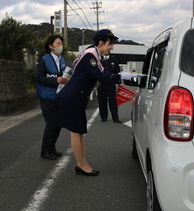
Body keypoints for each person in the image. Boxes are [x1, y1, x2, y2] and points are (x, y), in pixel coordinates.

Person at [57, 29, 136, 176]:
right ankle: (80, 165)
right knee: (75, 132)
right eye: (110, 44)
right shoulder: (90, 55)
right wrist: (123, 77)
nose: (112, 47)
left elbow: (98, 76)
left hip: (76, 97)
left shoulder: (95, 55)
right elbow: (100, 75)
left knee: (80, 131)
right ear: (101, 42)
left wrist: (120, 76)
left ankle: (83, 163)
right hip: (72, 97)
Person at [35, 35, 68, 160]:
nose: (61, 46)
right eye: (58, 43)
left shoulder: (62, 59)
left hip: (59, 95)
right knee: (51, 124)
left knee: (58, 124)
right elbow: (38, 77)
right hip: (48, 97)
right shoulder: (44, 60)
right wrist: (56, 80)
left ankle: (52, 148)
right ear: (50, 46)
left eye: (61, 43)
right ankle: (45, 150)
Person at [97, 54, 121, 123]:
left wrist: (119, 82)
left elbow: (117, 71)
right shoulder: (99, 59)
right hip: (101, 84)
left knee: (112, 101)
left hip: (111, 84)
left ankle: (115, 117)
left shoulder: (114, 60)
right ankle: (103, 116)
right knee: (102, 101)